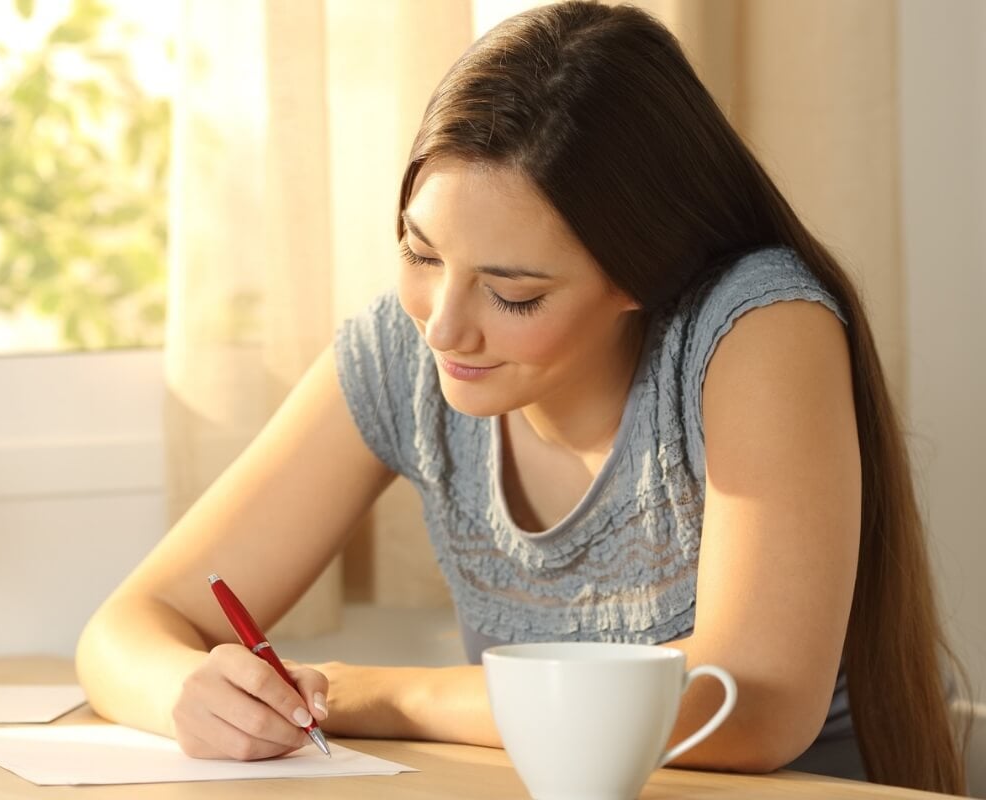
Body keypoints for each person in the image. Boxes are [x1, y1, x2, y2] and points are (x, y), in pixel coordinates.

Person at [75, 2, 966, 794]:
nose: (443, 329)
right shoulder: (407, 349)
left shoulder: (757, 327)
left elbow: (747, 707)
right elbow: (129, 627)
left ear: (643, 272)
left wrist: (376, 693)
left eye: (514, 294)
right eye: (421, 254)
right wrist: (184, 694)